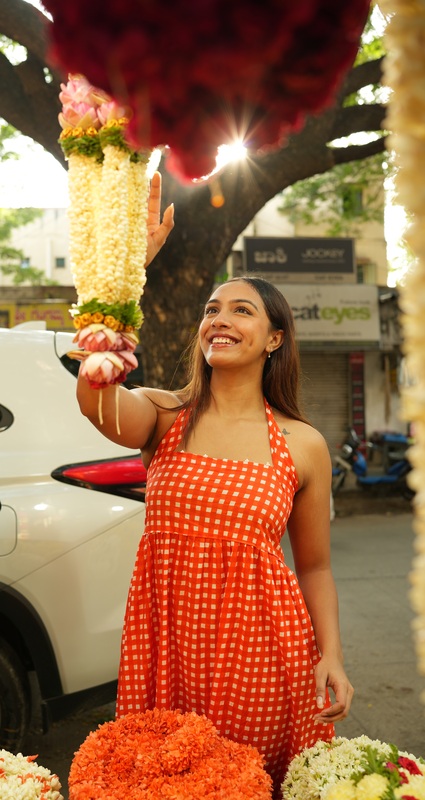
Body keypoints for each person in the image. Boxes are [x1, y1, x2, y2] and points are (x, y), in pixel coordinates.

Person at [76, 176, 353, 798]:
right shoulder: (163, 416)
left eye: (240, 310)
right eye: (211, 310)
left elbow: (314, 567)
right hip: (163, 647)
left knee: (248, 783)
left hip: (262, 651)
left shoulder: (302, 443)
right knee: (160, 782)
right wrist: (123, 275)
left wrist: (329, 656)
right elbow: (95, 394)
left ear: (274, 338)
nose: (219, 320)